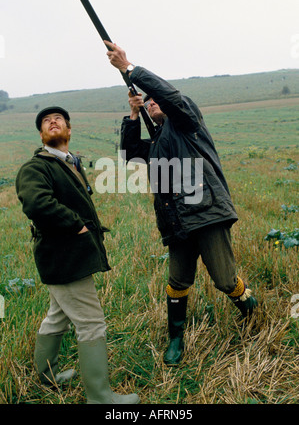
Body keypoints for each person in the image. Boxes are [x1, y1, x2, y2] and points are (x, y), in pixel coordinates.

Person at [104, 41, 258, 367]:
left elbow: (170, 96)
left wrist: (129, 69)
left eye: (154, 99)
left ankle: (251, 309)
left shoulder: (188, 122)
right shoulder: (159, 140)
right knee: (177, 282)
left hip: (206, 212)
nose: (151, 102)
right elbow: (130, 153)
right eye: (147, 103)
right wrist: (132, 115)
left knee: (225, 281)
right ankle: (176, 339)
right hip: (176, 222)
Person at [15, 106, 140, 404]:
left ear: (69, 130)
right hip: (64, 259)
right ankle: (100, 397)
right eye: (46, 121)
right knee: (91, 323)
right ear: (42, 135)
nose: (52, 122)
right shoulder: (37, 167)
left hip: (67, 257)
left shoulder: (69, 163)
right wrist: (76, 225)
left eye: (58, 119)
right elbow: (36, 203)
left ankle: (48, 377)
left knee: (57, 318)